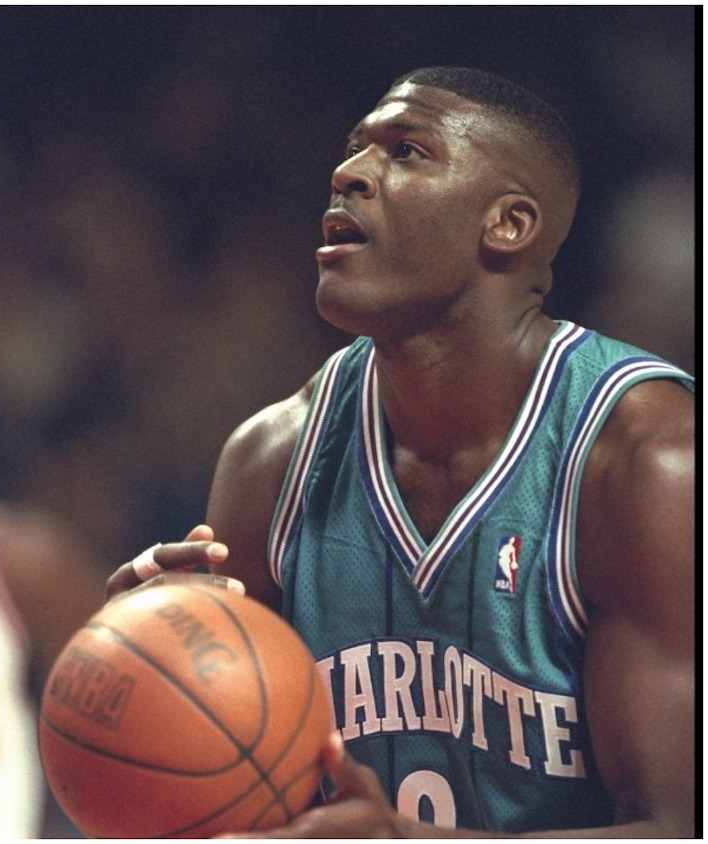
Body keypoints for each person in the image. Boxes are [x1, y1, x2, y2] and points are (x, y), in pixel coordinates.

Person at [104, 67, 695, 837]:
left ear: (508, 224)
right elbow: (238, 805)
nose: (346, 173)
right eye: (354, 150)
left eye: (406, 150)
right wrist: (154, 681)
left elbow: (679, 823)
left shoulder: (644, 461)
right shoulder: (272, 460)